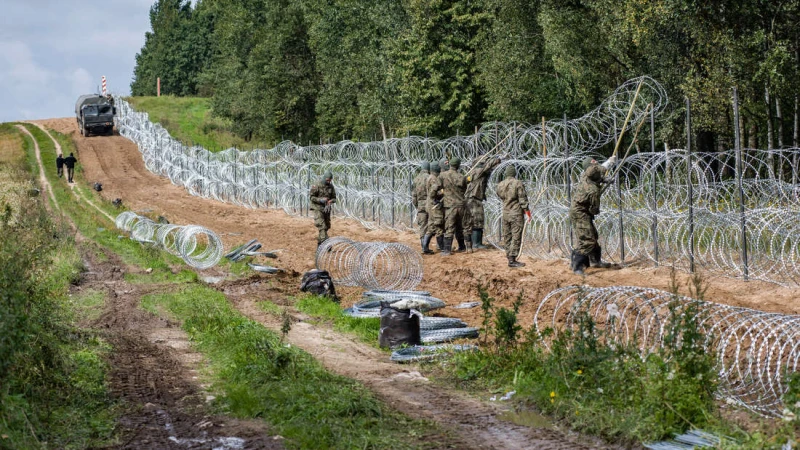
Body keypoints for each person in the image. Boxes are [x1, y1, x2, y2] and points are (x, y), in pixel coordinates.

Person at [569, 155, 617, 275]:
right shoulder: (593, 190)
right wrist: (608, 164)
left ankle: (595, 261)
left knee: (592, 235)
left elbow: (594, 174)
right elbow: (594, 209)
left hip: (580, 211)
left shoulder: (585, 175)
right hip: (580, 212)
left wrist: (604, 180)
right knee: (587, 239)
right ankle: (578, 266)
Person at [496, 165, 530, 268]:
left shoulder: (500, 184)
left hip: (506, 213)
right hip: (516, 213)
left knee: (507, 236)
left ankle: (509, 256)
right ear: (514, 173)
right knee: (516, 236)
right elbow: (522, 199)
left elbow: (499, 195)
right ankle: (512, 259)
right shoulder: (517, 183)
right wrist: (527, 211)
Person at [465, 156, 501, 249]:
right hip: (474, 199)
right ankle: (476, 243)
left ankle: (475, 243)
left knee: (475, 220)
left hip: (473, 198)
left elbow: (490, 169)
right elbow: (489, 166)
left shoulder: (476, 172)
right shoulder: (478, 171)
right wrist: (496, 159)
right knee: (477, 220)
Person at [440, 157, 468, 255]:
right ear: (458, 165)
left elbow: (437, 187)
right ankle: (462, 246)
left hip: (450, 206)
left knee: (449, 227)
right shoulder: (462, 177)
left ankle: (447, 250)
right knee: (460, 227)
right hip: (461, 205)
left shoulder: (443, 175)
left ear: (450, 165)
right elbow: (464, 189)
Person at [309, 171, 337, 247]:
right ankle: (327, 244)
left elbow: (334, 198)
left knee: (327, 226)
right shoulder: (317, 185)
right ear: (324, 178)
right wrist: (320, 200)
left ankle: (320, 243)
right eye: (327, 180)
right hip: (317, 208)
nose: (329, 181)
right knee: (322, 226)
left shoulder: (331, 187)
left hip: (326, 208)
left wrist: (331, 201)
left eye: (330, 180)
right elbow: (312, 197)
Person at [412, 161, 433, 254]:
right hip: (430, 204)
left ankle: (423, 246)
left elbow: (414, 196)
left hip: (420, 204)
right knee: (432, 225)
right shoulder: (430, 178)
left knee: (422, 226)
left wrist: (417, 206)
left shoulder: (416, 179)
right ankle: (427, 246)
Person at [426, 162, 445, 253]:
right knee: (439, 226)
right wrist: (442, 193)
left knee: (431, 226)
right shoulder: (434, 179)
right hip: (434, 205)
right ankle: (442, 248)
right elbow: (433, 191)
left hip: (430, 205)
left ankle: (425, 247)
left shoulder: (430, 177)